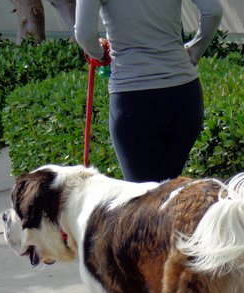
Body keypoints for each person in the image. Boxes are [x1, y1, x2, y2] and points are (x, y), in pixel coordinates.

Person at [74, 0, 223, 183]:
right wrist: (194, 51)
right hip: (185, 94)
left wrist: (100, 54)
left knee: (144, 200)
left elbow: (85, 34)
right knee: (169, 192)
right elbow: (213, 11)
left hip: (133, 98)